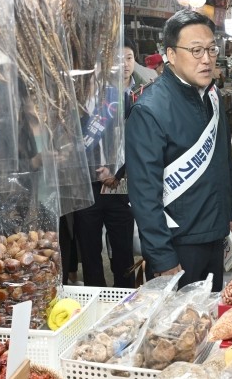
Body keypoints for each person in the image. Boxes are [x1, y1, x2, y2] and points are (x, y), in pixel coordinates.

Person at [126, 10, 232, 291]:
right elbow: (144, 196)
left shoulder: (211, 97)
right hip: (178, 245)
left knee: (211, 321)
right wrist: (163, 258)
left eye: (211, 49)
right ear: (171, 54)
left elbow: (224, 161)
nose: (206, 59)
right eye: (195, 50)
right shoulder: (150, 110)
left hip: (215, 235)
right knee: (180, 330)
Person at [71, 42, 138, 289]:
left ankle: (126, 297)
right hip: (84, 188)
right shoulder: (69, 104)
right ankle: (95, 299)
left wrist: (118, 174)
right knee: (89, 250)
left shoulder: (118, 98)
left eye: (95, 67)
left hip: (117, 186)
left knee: (122, 248)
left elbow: (134, 140)